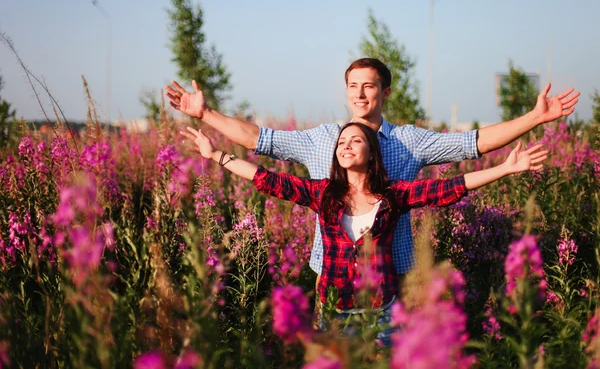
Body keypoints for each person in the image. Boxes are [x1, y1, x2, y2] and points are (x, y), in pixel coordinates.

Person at [165, 58, 579, 284]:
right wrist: (206, 114)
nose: (360, 94)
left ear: (385, 91)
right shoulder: (322, 139)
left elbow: (474, 144)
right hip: (331, 274)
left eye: (369, 86)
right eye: (352, 86)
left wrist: (533, 119)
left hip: (392, 275)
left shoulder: (411, 141)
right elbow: (259, 139)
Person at [180, 121, 548, 346]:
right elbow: (267, 179)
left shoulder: (394, 196)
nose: (345, 145)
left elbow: (450, 187)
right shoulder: (323, 193)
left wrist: (504, 169)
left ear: (372, 154)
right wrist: (215, 156)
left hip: (382, 313)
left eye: (355, 141)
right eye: (341, 142)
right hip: (333, 311)